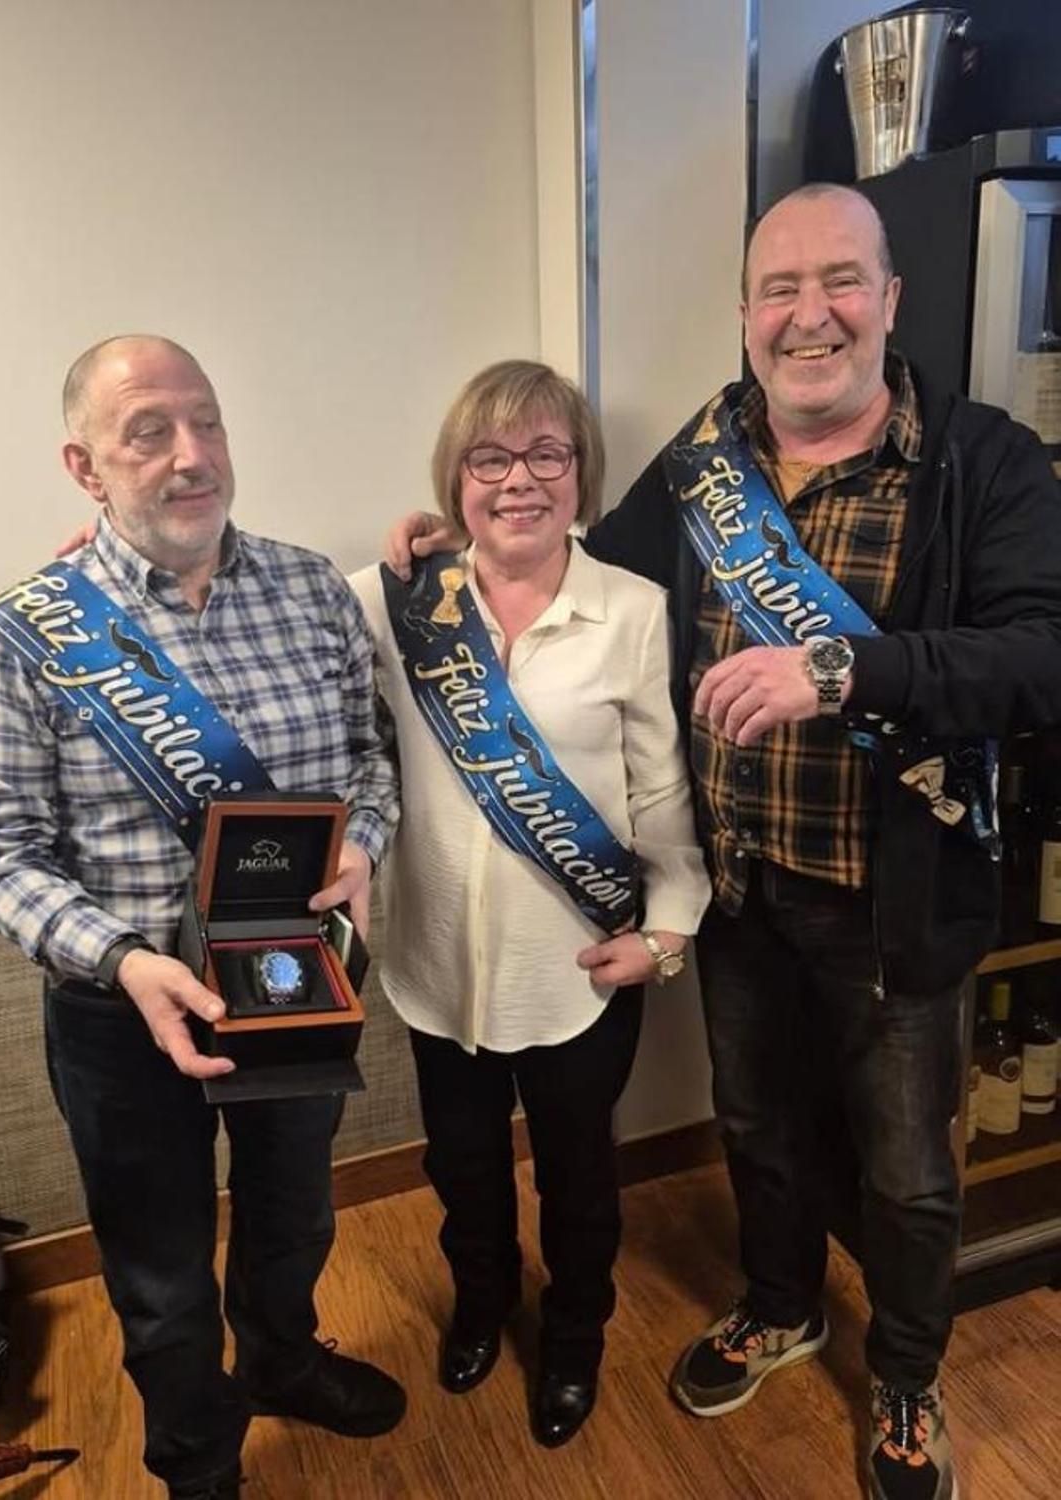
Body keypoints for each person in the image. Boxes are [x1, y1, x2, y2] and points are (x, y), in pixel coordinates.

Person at [387, 185, 1061, 1500]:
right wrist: (450, 551)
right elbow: (581, 566)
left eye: (841, 283)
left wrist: (846, 673)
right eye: (780, 289)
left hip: (897, 897)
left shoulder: (983, 459)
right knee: (757, 1125)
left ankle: (909, 1377)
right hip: (743, 891)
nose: (811, 315)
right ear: (747, 314)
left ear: (891, 300)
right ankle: (782, 1302)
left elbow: (1042, 657)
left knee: (910, 1168)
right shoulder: (707, 458)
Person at [0, 335, 405, 1500]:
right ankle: (198, 1462)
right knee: (157, 1272)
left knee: (295, 1215)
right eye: (148, 431)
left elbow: (371, 757)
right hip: (123, 1014)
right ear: (84, 465)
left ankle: (289, 1362)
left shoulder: (313, 589)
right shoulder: (18, 637)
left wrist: (367, 846)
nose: (189, 455)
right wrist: (130, 962)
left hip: (296, 980)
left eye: (204, 422)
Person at [351, 360, 709, 1448]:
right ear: (456, 481)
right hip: (436, 965)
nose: (520, 479)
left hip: (583, 966)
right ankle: (480, 1303)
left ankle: (575, 1338)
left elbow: (659, 790)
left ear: (580, 475)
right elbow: (244, 608)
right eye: (491, 457)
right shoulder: (390, 601)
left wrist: (668, 930)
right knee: (461, 1169)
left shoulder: (633, 611)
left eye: (547, 454)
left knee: (580, 1174)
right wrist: (106, 559)